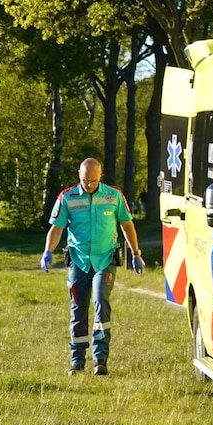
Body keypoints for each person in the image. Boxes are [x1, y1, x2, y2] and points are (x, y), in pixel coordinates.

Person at [40, 158, 145, 376]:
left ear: (101, 175)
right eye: (86, 181)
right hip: (79, 261)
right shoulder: (67, 197)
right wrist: (47, 251)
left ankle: (100, 359)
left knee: (100, 300)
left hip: (104, 260)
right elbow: (57, 228)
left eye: (94, 181)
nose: (89, 185)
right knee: (78, 309)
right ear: (79, 175)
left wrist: (136, 253)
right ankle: (77, 361)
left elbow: (127, 225)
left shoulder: (113, 196)